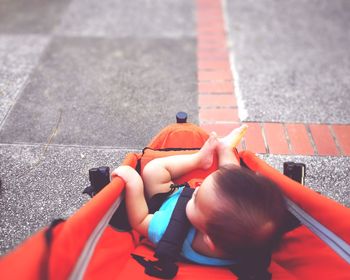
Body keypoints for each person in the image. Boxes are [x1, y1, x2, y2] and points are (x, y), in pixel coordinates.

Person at [111, 125, 287, 265]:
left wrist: (134, 183)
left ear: (208, 239)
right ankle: (224, 150)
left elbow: (140, 220)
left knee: (152, 171)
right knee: (229, 179)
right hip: (218, 202)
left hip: (167, 204)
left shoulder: (166, 229)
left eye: (195, 199)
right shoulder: (244, 244)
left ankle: (198, 159)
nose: (196, 190)